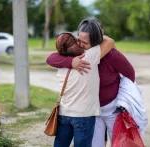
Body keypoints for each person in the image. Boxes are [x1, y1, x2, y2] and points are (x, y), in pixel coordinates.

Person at [46, 17, 135, 147]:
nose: (80, 45)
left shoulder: (110, 55)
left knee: (121, 143)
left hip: (112, 108)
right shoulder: (76, 54)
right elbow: (51, 58)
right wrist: (71, 62)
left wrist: (123, 99)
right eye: (78, 40)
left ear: (96, 42)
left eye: (85, 42)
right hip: (92, 112)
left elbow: (130, 75)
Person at [52, 31, 115, 147]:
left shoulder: (61, 64)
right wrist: (92, 35)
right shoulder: (89, 57)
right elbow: (110, 41)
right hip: (83, 116)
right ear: (76, 42)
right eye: (77, 40)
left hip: (64, 114)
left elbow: (50, 57)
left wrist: (69, 61)